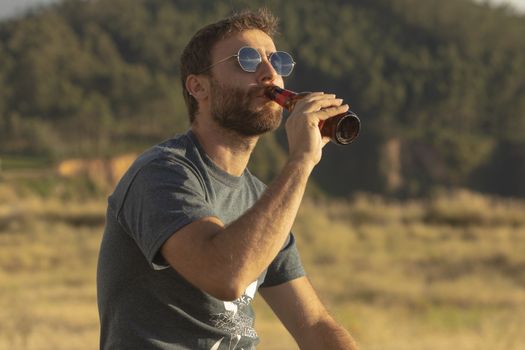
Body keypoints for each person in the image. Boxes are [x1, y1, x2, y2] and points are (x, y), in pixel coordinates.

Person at [97, 8, 359, 350]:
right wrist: (301, 160)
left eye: (277, 62)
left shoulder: (260, 199)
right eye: (247, 61)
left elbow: (312, 324)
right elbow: (225, 276)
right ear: (198, 87)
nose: (269, 74)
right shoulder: (161, 173)